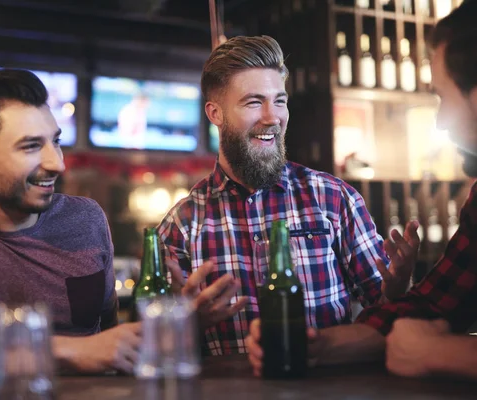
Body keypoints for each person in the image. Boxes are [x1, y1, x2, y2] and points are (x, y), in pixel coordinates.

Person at [246, 0, 477, 389]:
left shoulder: (336, 197)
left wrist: (437, 352)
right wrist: (317, 345)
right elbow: (432, 304)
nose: (440, 121)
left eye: (443, 98)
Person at [158, 35, 420, 356]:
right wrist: (186, 323)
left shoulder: (334, 198)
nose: (272, 117)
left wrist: (398, 289)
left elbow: (387, 310)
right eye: (254, 102)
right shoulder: (182, 224)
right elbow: (154, 345)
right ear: (216, 114)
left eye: (279, 101)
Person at [0, 69, 141, 374]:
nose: (57, 163)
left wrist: (187, 314)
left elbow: (109, 335)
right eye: (31, 146)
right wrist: (70, 350)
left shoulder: (86, 217)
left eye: (54, 142)